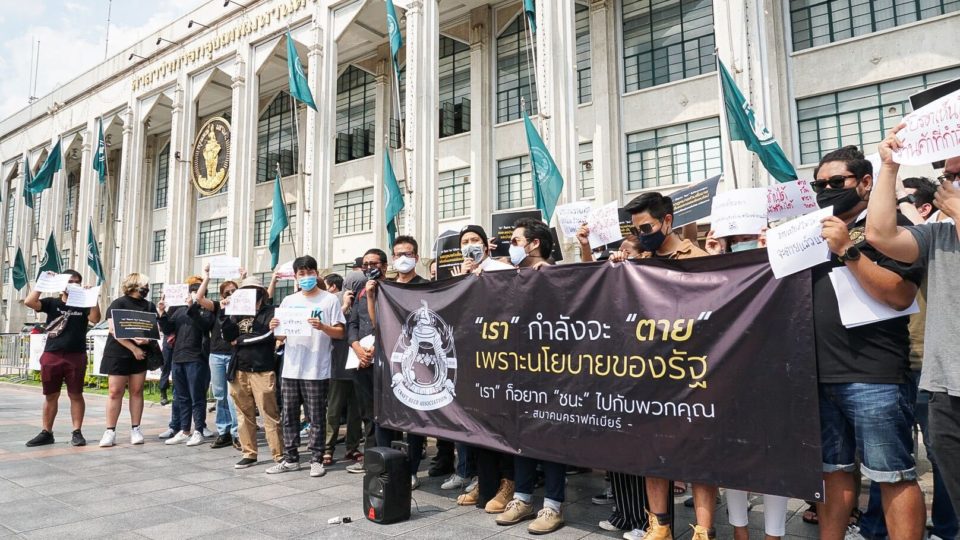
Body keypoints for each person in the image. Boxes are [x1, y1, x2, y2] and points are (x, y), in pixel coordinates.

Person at [794, 144, 923, 540]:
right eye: (820, 185)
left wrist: (847, 250)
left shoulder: (889, 227)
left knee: (892, 475)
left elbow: (900, 295)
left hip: (875, 375)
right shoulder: (809, 234)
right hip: (821, 375)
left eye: (837, 182)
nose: (827, 190)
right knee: (832, 471)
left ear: (865, 183)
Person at [865, 134, 960, 531]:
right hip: (946, 392)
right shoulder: (940, 235)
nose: (949, 183)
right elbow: (880, 236)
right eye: (947, 175)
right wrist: (889, 167)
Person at [604, 193, 710, 540]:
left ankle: (703, 530)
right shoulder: (638, 265)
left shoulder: (699, 258)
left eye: (646, 227)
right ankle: (658, 524)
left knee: (698, 456)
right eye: (636, 229)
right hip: (648, 372)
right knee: (652, 450)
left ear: (667, 220)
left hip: (691, 371)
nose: (641, 234)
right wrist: (618, 272)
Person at [495, 218, 566, 535]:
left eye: (516, 240)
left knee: (549, 437)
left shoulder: (557, 276)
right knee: (520, 435)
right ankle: (522, 499)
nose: (511, 247)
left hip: (550, 371)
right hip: (517, 368)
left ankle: (553, 505)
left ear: (534, 243)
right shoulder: (512, 277)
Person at [267, 255, 346, 477]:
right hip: (291, 367)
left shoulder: (328, 300)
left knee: (316, 415)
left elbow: (340, 332)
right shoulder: (289, 301)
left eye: (310, 272)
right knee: (289, 414)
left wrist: (322, 327)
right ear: (295, 276)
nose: (306, 277)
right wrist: (275, 327)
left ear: (316, 273)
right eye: (301, 273)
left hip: (316, 368)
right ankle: (291, 458)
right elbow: (281, 335)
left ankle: (316, 458)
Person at [362, 235, 430, 489]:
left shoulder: (425, 286)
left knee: (413, 419)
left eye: (408, 254)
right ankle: (385, 467)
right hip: (388, 361)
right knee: (384, 417)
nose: (403, 258)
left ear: (416, 257)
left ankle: (410, 471)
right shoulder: (384, 288)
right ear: (392, 258)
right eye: (399, 254)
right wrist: (371, 297)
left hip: (417, 362)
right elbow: (378, 324)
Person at [24, 270, 101, 447]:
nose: (73, 285)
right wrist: (43, 283)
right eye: (69, 282)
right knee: (51, 395)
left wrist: (92, 297)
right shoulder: (52, 303)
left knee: (76, 394)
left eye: (76, 282)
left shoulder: (83, 303)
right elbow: (30, 302)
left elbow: (95, 318)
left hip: (76, 355)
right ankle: (46, 432)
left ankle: (77, 432)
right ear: (62, 285)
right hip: (52, 353)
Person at [220, 276, 284, 469]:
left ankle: (279, 454)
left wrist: (240, 341)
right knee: (243, 413)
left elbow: (267, 336)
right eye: (245, 289)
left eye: (253, 290)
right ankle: (249, 453)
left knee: (269, 413)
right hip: (239, 369)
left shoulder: (271, 311)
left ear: (261, 293)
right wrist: (227, 311)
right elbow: (227, 336)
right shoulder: (237, 313)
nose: (249, 293)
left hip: (263, 369)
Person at [98, 273, 157, 447]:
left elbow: (152, 329)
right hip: (118, 352)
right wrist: (134, 348)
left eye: (147, 286)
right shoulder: (119, 303)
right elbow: (113, 329)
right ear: (133, 285)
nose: (146, 289)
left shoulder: (149, 306)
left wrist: (146, 340)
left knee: (137, 391)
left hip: (140, 354)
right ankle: (110, 431)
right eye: (143, 285)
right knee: (115, 392)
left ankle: (136, 429)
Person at [345, 248, 389, 475]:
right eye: (366, 264)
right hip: (360, 357)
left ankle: (388, 455)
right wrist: (356, 347)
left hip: (384, 357)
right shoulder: (361, 290)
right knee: (367, 411)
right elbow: (352, 323)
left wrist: (373, 350)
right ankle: (371, 456)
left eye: (374, 263)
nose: (370, 267)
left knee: (386, 411)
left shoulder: (393, 288)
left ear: (384, 265)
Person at [159, 277, 215, 447]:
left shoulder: (207, 310)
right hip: (178, 358)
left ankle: (199, 430)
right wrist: (162, 314)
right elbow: (168, 329)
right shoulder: (179, 311)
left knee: (197, 396)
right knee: (182, 396)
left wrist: (193, 307)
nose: (192, 294)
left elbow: (205, 326)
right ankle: (184, 430)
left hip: (196, 358)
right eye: (191, 291)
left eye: (197, 291)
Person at [196, 267, 241, 450]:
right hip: (216, 355)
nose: (230, 295)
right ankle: (224, 432)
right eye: (226, 292)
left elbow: (263, 296)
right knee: (220, 394)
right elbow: (199, 298)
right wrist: (207, 277)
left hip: (233, 355)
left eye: (233, 291)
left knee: (233, 395)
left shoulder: (242, 308)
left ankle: (237, 433)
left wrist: (243, 280)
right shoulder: (216, 307)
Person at [322, 273, 363, 465]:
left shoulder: (367, 300)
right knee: (333, 410)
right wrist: (345, 306)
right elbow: (329, 328)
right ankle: (327, 447)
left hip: (359, 364)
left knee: (356, 411)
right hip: (338, 363)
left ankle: (352, 447)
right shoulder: (334, 301)